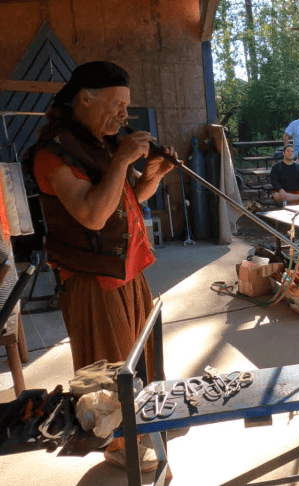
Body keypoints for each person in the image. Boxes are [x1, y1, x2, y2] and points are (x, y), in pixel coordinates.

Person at [26, 61, 173, 472]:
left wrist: (152, 176)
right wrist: (123, 160)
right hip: (94, 281)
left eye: (127, 106)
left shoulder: (101, 143)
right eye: (116, 105)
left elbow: (123, 205)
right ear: (84, 99)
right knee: (110, 375)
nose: (125, 116)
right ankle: (121, 447)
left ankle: (144, 427)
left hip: (128, 270)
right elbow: (92, 214)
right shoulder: (52, 153)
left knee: (139, 364)